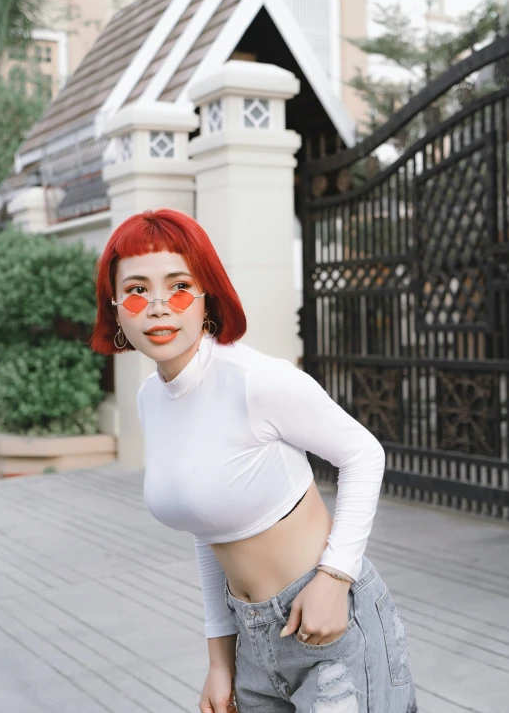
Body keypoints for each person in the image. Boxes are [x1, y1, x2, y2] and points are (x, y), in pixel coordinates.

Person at [90, 208, 418, 713]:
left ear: (206, 297)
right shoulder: (151, 400)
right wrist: (219, 661)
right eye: (136, 290)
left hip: (329, 624)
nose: (157, 307)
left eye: (178, 286)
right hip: (252, 641)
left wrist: (335, 579)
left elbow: (362, 453)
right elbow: (208, 528)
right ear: (115, 308)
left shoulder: (254, 379)